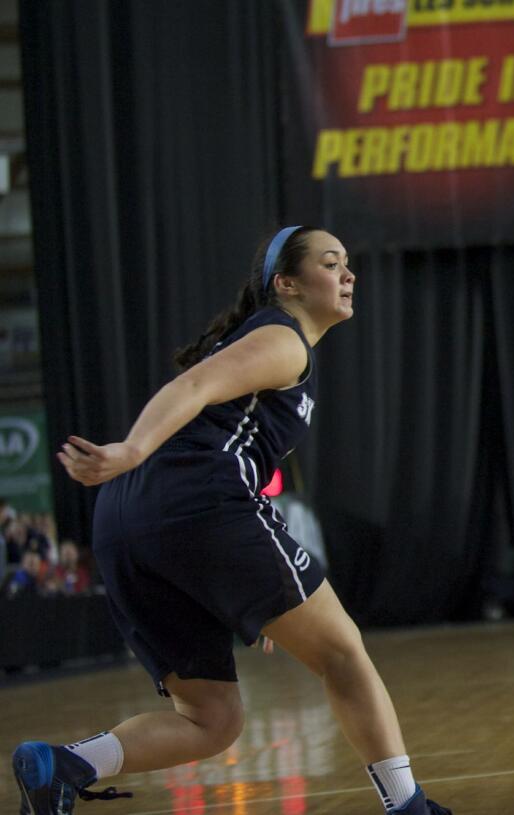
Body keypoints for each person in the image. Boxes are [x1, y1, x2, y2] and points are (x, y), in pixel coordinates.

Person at [10, 226, 450, 815]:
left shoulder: (267, 342)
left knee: (211, 719)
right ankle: (410, 807)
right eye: (330, 263)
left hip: (125, 519)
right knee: (343, 652)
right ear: (286, 283)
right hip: (194, 500)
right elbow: (191, 386)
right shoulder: (284, 339)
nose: (349, 275)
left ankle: (63, 765)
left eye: (348, 263)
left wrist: (250, 589)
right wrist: (131, 449)